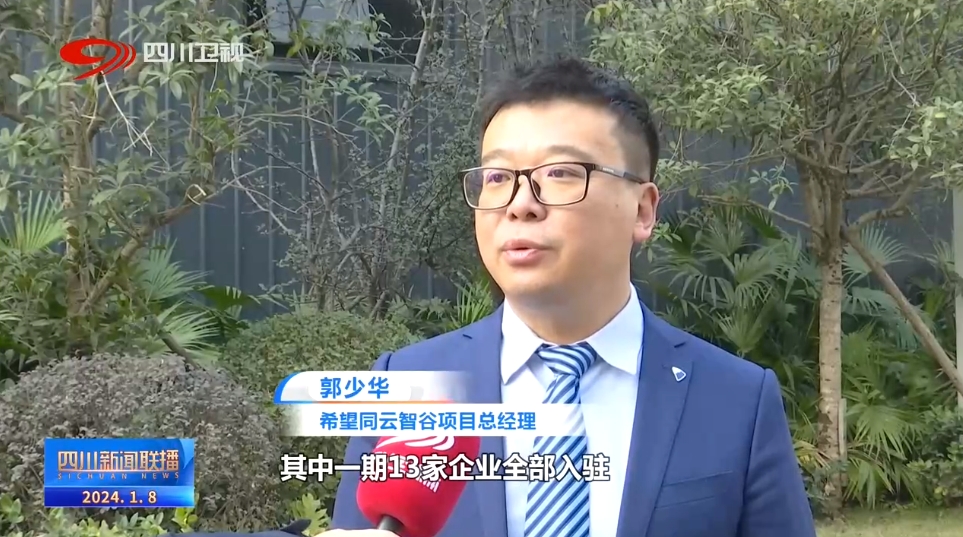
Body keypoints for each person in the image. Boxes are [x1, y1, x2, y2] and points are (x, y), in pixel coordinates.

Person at [323, 57, 816, 537]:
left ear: (642, 210)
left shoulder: (737, 399)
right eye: (497, 177)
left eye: (559, 173)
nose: (520, 204)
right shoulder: (406, 384)